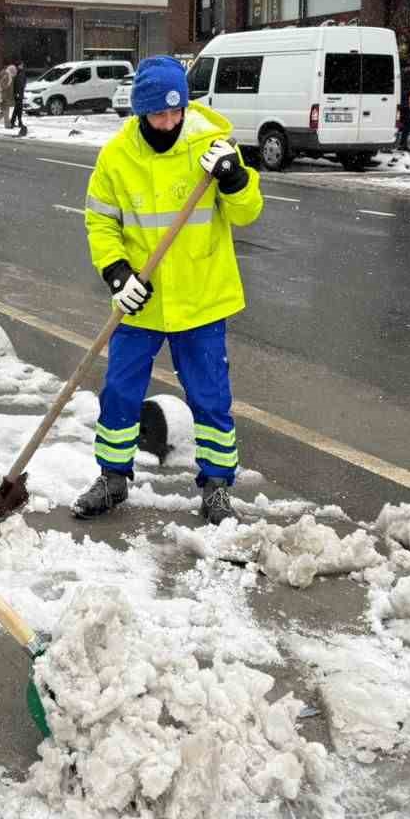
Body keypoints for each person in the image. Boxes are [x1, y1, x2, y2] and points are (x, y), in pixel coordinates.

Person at [75, 55, 263, 526]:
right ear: (142, 112)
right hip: (142, 300)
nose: (170, 122)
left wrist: (234, 177)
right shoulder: (117, 157)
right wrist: (117, 273)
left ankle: (217, 486)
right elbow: (100, 220)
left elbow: (247, 213)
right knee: (119, 390)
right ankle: (112, 477)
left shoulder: (212, 146)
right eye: (159, 114)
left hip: (201, 297)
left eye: (176, 112)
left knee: (210, 397)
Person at [0, 60, 17, 130]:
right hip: (2, 96)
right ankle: (7, 125)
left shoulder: (9, 76)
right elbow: (2, 86)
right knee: (6, 111)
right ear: (12, 71)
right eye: (14, 71)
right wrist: (3, 97)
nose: (15, 73)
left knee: (3, 111)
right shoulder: (7, 76)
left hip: (4, 96)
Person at [397, 65, 410, 152]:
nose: (409, 68)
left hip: (402, 104)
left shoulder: (403, 76)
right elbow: (408, 90)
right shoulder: (403, 76)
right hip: (401, 104)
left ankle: (401, 144)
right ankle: (401, 144)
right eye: (407, 67)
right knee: (406, 124)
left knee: (406, 124)